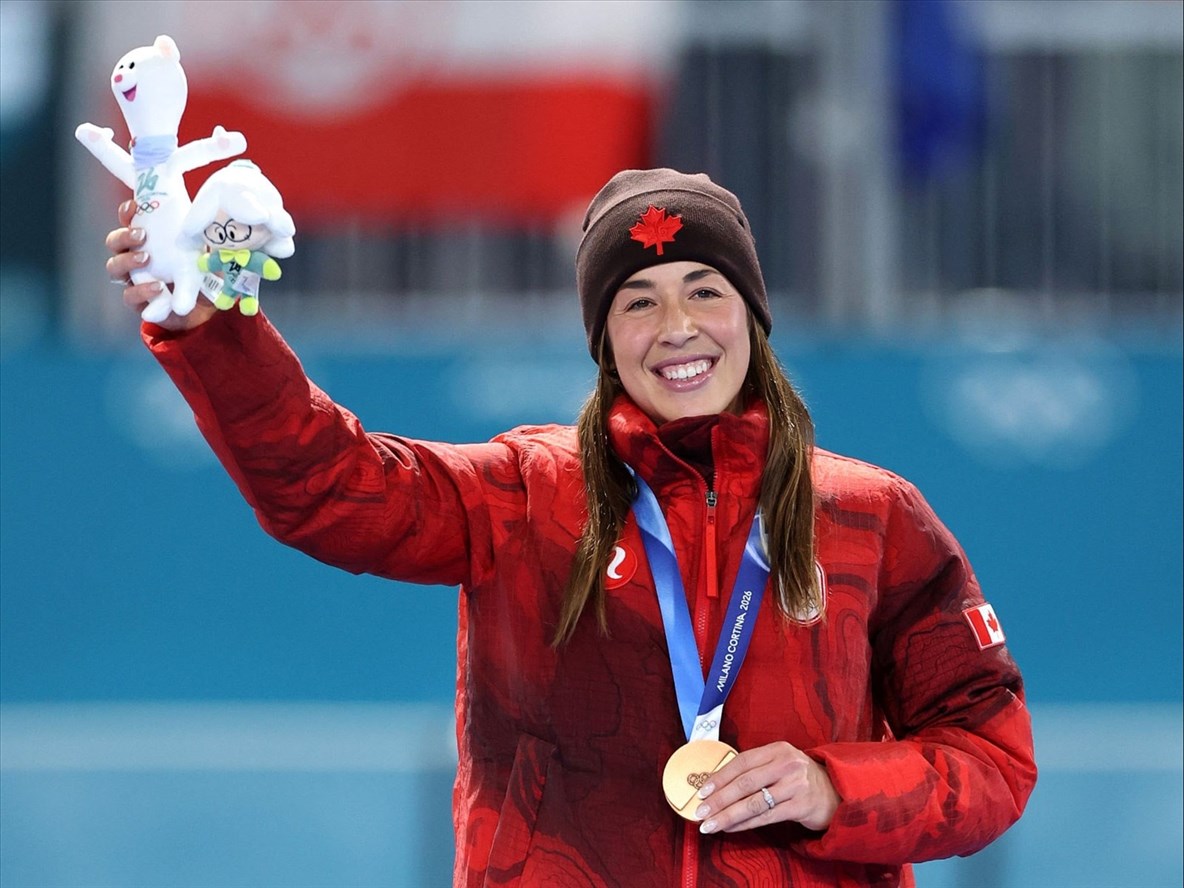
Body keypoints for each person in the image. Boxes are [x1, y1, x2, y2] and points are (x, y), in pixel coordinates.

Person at [103, 168, 1036, 887]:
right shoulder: (523, 495)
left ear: (752, 316)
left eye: (704, 289)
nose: (677, 326)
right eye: (638, 300)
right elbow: (326, 484)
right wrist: (214, 324)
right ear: (603, 340)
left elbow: (989, 753)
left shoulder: (871, 518)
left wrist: (838, 787)